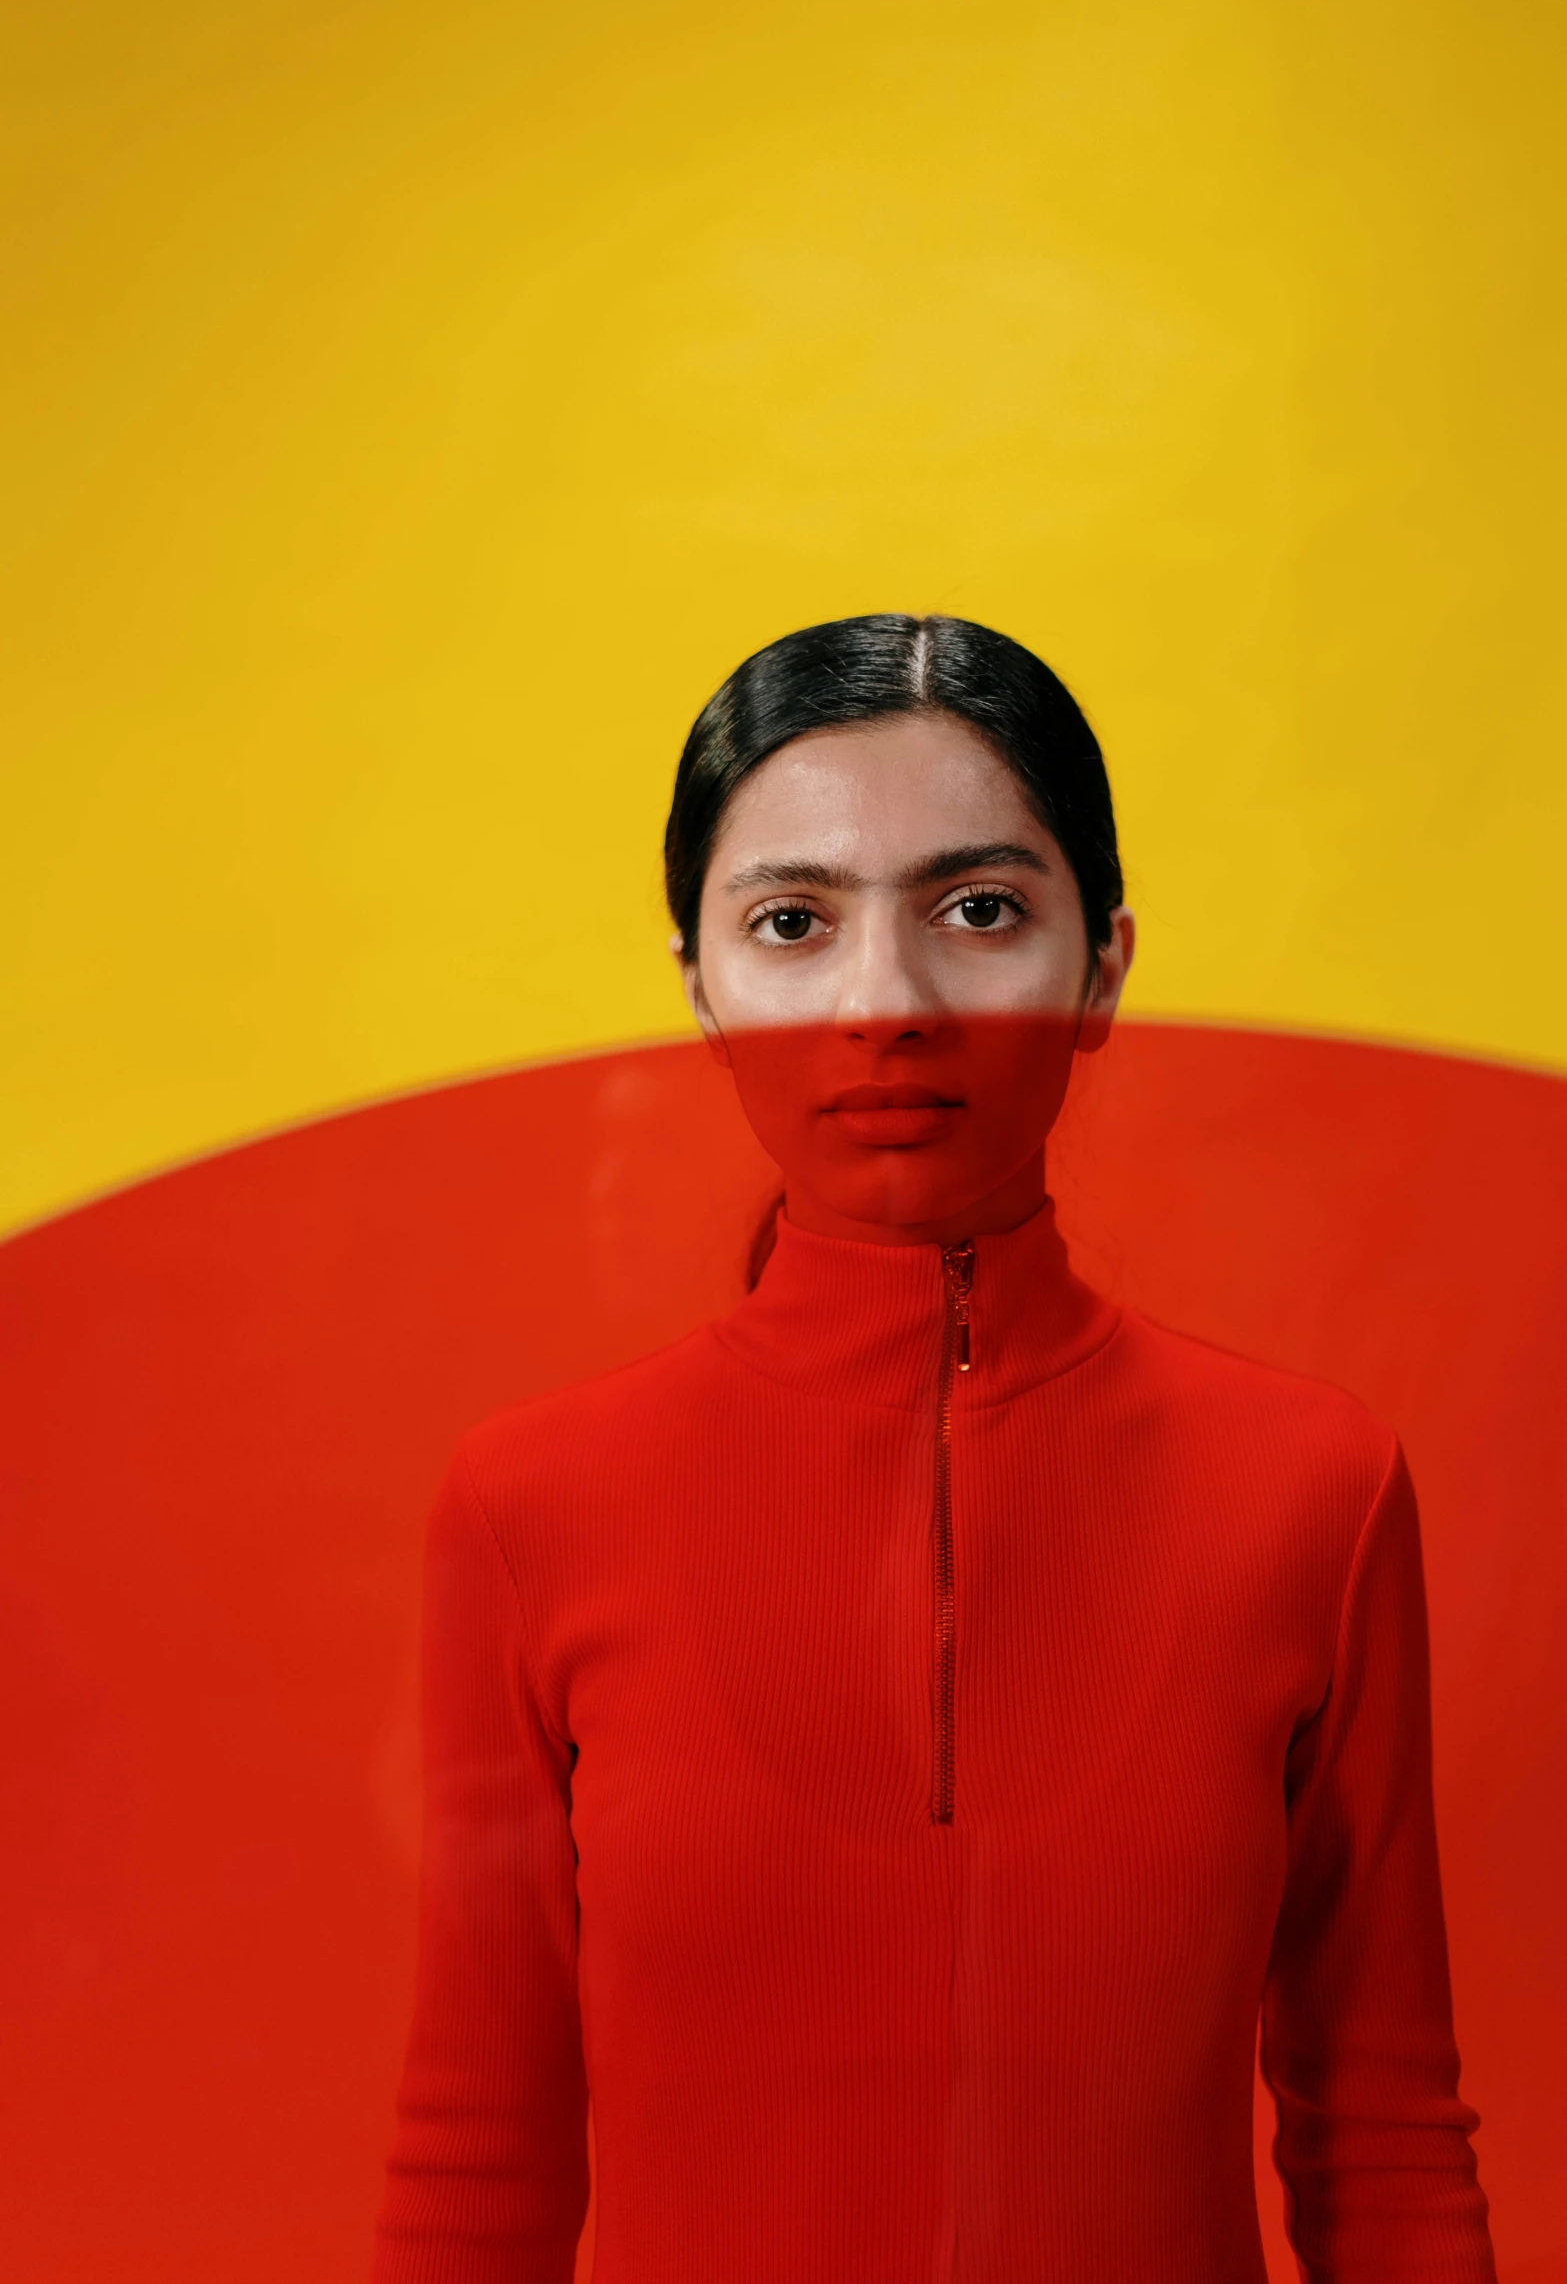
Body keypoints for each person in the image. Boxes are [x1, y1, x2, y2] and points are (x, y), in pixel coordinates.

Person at [372, 614, 1495, 2281]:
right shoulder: (530, 1504)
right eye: (792, 923)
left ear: (1101, 965)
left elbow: (1380, 2128)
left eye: (977, 910)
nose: (883, 1000)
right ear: (695, 977)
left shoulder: (1311, 1489)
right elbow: (481, 2155)